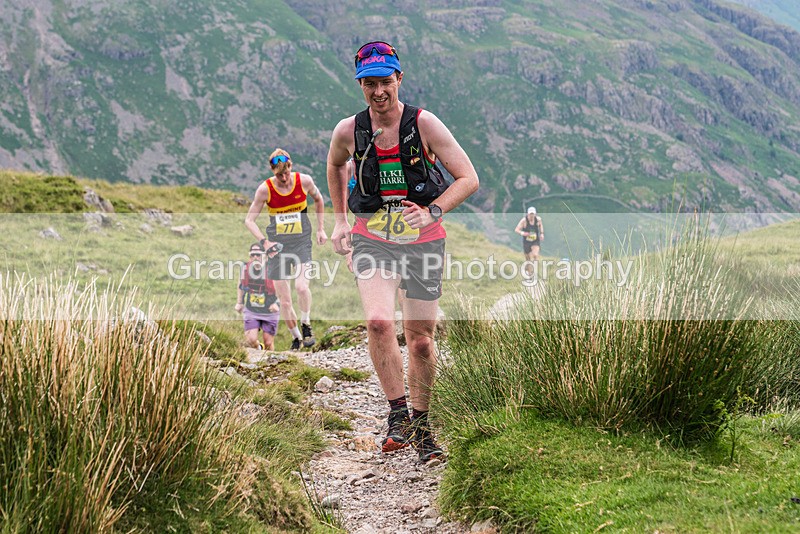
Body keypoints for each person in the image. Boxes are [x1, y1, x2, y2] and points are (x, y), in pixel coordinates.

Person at [326, 41, 479, 462]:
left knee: (422, 343)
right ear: (360, 84)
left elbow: (468, 178)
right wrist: (340, 219)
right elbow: (336, 163)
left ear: (400, 79)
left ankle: (424, 426)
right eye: (369, 83)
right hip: (372, 236)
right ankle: (398, 417)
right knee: (377, 322)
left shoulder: (425, 124)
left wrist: (433, 211)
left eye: (385, 82)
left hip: (422, 243)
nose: (379, 92)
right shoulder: (349, 130)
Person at [245, 149, 328, 350]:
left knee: (301, 286)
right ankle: (296, 338)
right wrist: (264, 242)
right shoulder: (265, 189)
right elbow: (249, 220)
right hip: (277, 248)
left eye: (286, 172)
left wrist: (320, 229)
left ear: (290, 166)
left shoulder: (304, 181)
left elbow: (319, 199)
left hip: (301, 243)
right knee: (285, 302)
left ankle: (306, 324)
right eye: (278, 174)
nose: (283, 178)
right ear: (272, 171)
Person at [235, 242, 280, 350]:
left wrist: (277, 303)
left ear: (264, 255)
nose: (255, 257)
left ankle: (271, 362)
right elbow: (240, 286)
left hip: (270, 310)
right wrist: (239, 302)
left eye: (258, 255)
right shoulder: (245, 268)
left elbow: (282, 288)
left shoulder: (272, 269)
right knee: (250, 339)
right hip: (252, 309)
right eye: (252, 255)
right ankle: (259, 348)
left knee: (268, 342)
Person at [515, 206, 544, 276]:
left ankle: (534, 271)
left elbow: (540, 226)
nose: (532, 216)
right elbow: (516, 229)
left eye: (533, 214)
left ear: (535, 214)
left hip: (535, 240)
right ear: (528, 214)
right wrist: (523, 233)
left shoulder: (538, 219)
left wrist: (542, 233)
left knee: (535, 255)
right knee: (528, 258)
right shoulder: (524, 221)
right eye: (530, 214)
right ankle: (529, 271)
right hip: (527, 241)